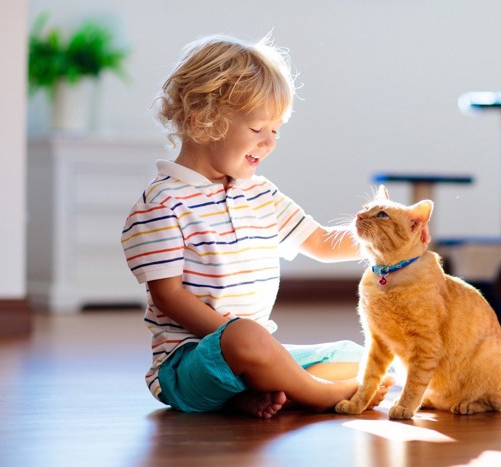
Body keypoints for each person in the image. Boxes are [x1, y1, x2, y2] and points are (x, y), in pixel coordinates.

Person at [120, 34, 391, 418]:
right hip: (189, 365)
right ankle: (320, 395)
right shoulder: (163, 203)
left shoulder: (260, 193)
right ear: (203, 119)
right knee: (246, 336)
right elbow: (168, 297)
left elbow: (322, 242)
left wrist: (383, 238)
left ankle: (262, 392)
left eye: (276, 130)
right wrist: (238, 337)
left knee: (354, 355)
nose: (270, 142)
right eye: (258, 128)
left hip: (257, 352)